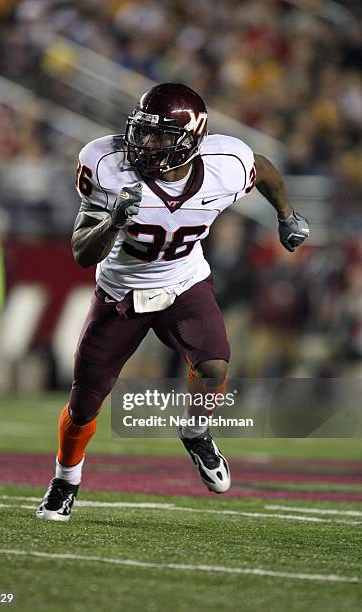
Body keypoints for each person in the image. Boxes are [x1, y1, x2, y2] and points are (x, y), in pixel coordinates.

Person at [36, 83, 309, 521]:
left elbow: (261, 168)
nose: (145, 143)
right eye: (142, 131)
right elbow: (82, 252)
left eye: (161, 135)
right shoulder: (105, 165)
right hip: (121, 290)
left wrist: (287, 216)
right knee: (86, 398)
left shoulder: (227, 164)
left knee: (215, 365)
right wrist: (112, 221)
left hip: (184, 281)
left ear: (190, 140)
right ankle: (65, 480)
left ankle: (196, 431)